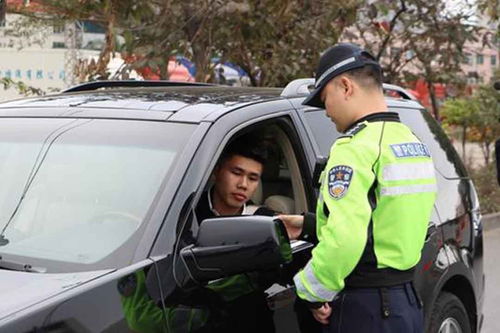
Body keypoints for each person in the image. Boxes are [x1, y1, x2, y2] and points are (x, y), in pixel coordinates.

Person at [281, 43, 437, 333]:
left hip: (366, 309)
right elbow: (385, 220)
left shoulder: (355, 148)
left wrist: (310, 292)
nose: (325, 110)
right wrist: (309, 224)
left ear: (345, 86)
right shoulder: (412, 142)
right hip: (406, 303)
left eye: (324, 98)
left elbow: (347, 238)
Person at [120, 134, 277, 333]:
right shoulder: (184, 212)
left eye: (253, 178)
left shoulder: (264, 222)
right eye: (236, 172)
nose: (243, 184)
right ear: (217, 171)